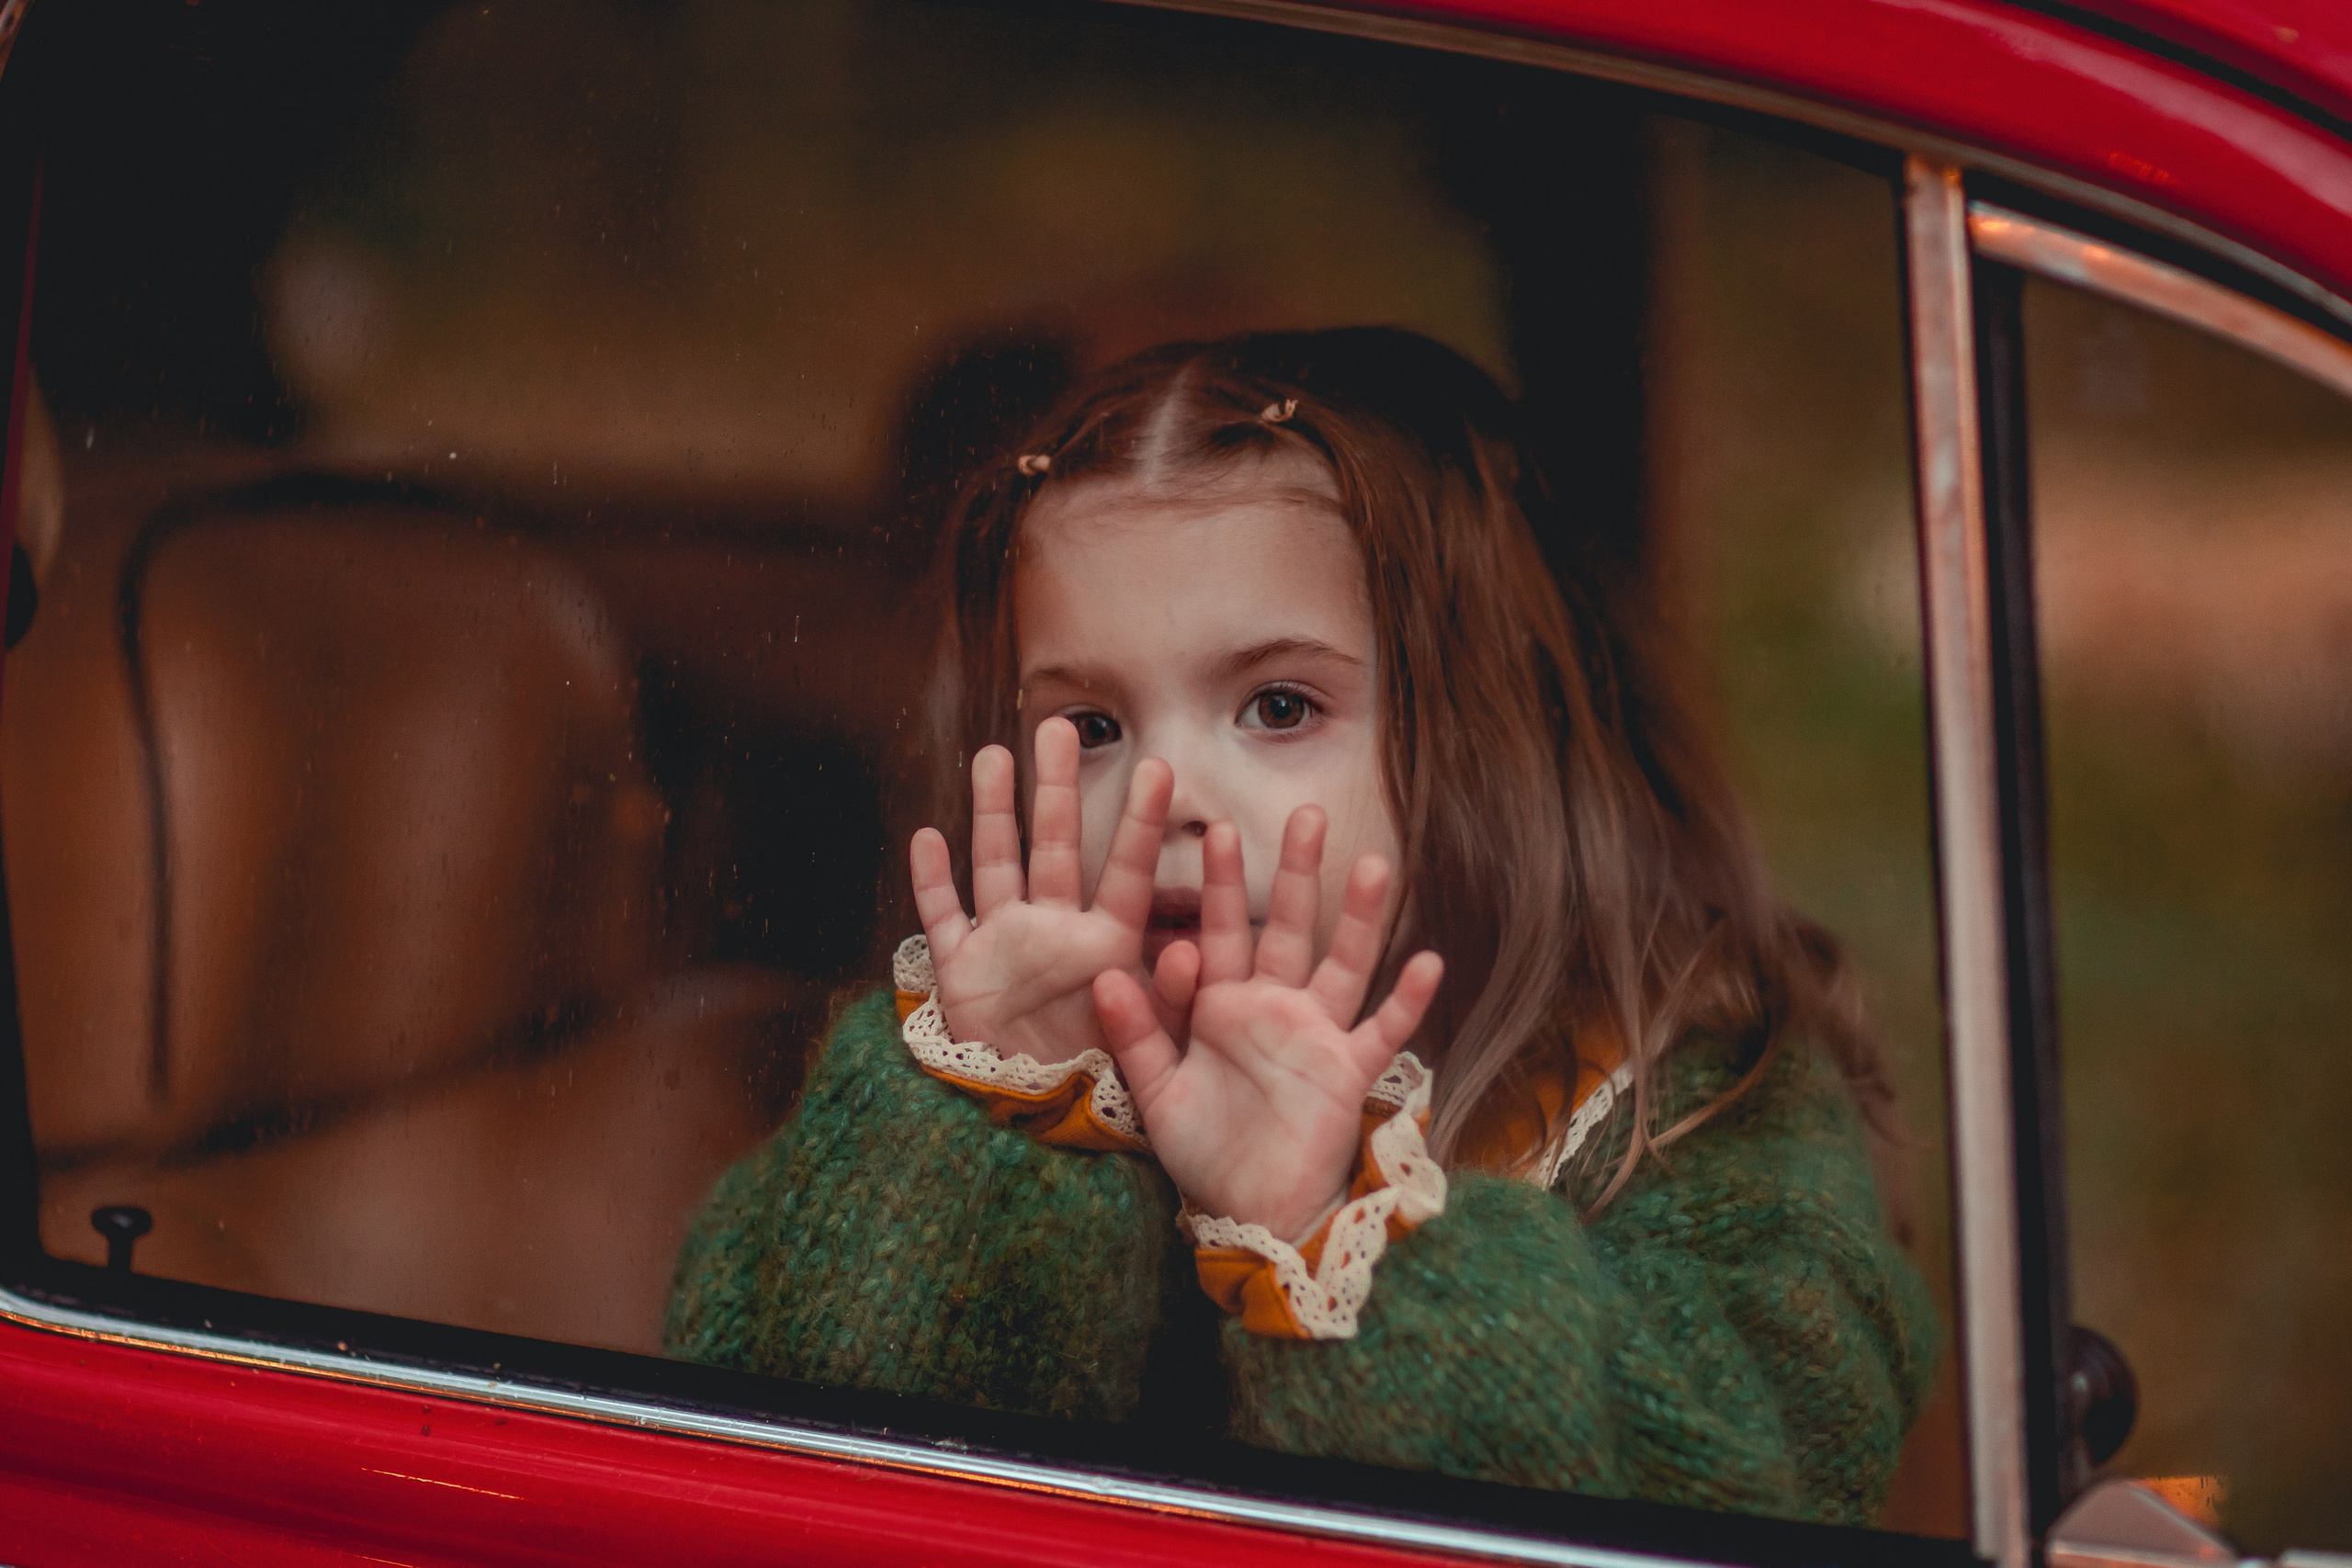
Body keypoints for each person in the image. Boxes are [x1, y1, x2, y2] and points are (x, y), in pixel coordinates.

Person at [664, 327, 1939, 1525]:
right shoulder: (984, 1066)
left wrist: (1326, 1234)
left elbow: (1737, 1500)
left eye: (1278, 707)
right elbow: (780, 1478)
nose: (1165, 801)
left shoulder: (1707, 1114)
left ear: (1485, 738)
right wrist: (985, 1129)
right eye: (1091, 728)